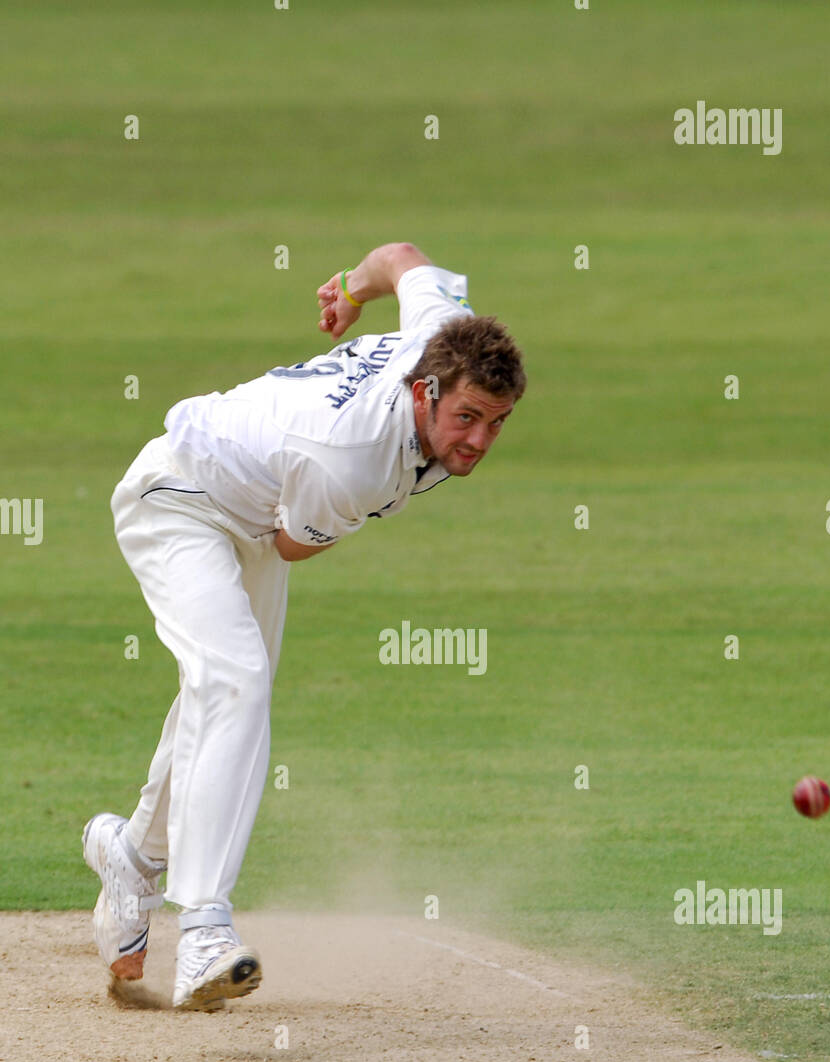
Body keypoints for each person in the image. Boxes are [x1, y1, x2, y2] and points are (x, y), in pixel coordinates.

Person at [82, 242, 526, 1010]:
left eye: (497, 422)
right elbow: (293, 542)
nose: (480, 441)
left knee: (220, 694)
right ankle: (206, 929)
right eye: (467, 418)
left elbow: (403, 257)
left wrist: (352, 291)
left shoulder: (446, 333)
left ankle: (129, 857)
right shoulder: (349, 461)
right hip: (179, 498)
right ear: (424, 390)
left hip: (255, 500)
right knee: (236, 681)